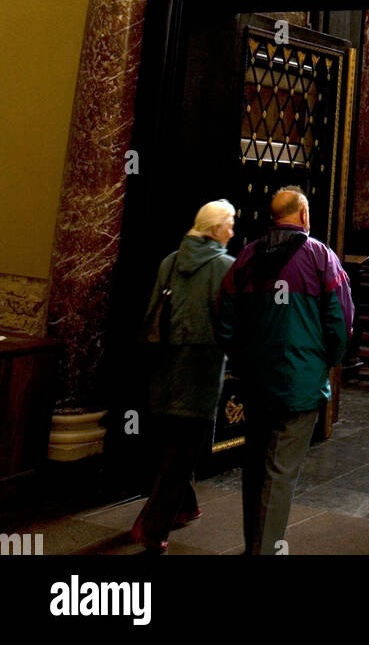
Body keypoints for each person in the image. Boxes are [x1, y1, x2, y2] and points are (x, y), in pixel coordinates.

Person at [216, 185, 354, 555]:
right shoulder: (320, 258)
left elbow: (224, 318)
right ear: (304, 216)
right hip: (300, 383)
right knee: (280, 472)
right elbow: (340, 321)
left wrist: (242, 357)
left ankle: (254, 545)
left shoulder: (245, 258)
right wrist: (326, 361)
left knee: (254, 466)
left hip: (255, 380)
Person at [130, 199, 236, 553]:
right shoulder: (226, 267)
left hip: (165, 363)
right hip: (202, 368)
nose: (233, 231)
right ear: (216, 229)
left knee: (172, 439)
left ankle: (186, 506)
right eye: (230, 224)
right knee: (185, 448)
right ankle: (153, 526)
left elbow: (151, 313)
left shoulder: (170, 261)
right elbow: (231, 322)